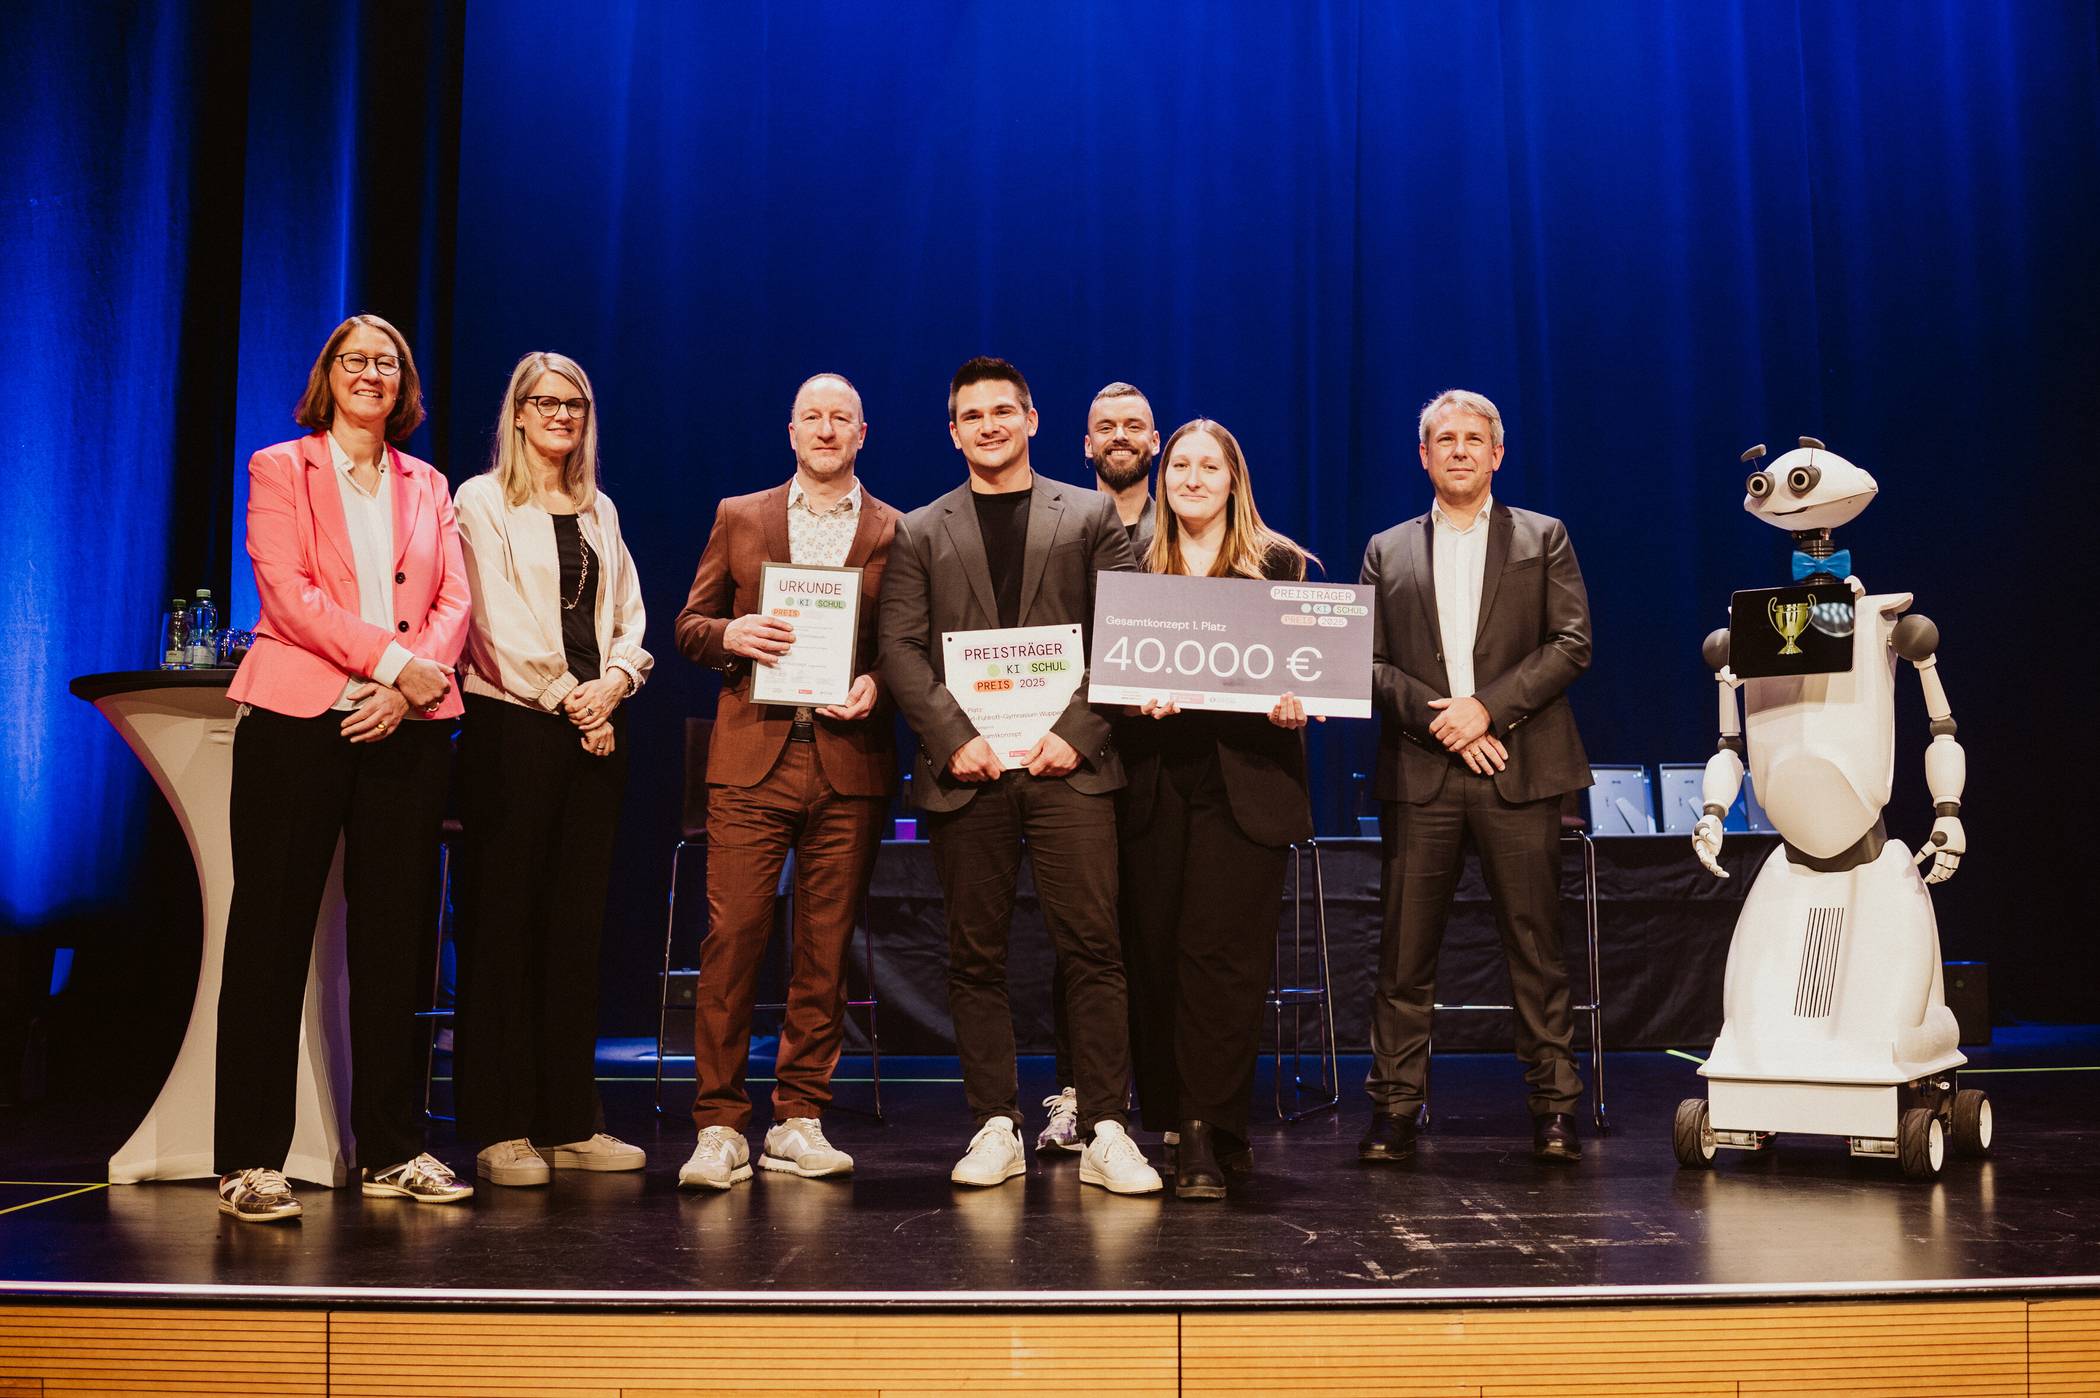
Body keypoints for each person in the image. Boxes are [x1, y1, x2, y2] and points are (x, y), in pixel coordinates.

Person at [879, 356, 1160, 1194]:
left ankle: (1107, 1126)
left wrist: (1077, 733)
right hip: (968, 769)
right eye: (973, 414)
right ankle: (994, 1124)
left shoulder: (1088, 517)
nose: (990, 425)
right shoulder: (921, 529)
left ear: (1033, 421)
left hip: (1068, 768)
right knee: (974, 955)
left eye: (1005, 410)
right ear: (954, 430)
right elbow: (900, 647)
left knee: (1095, 950)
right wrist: (952, 736)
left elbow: (1126, 631)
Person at [213, 313, 472, 1222]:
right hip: (297, 717)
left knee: (397, 945)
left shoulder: (431, 484)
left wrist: (408, 689)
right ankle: (249, 1158)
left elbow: (452, 602)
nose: (372, 374)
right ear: (328, 375)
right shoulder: (280, 468)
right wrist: (391, 665)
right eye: (356, 361)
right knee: (270, 934)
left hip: (405, 726)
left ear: (405, 388)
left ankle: (394, 1149)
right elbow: (286, 594)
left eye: (389, 364)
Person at [672, 373, 897, 1190]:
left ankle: (800, 1117)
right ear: (791, 431)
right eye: (813, 416)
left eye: (843, 417)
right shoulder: (742, 515)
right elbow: (690, 626)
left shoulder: (895, 530)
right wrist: (733, 631)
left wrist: (881, 684)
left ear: (862, 433)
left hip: (848, 761)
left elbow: (910, 645)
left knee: (825, 947)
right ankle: (721, 1124)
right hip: (752, 758)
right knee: (733, 939)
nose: (827, 429)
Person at [1357, 389, 1593, 1165]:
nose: (1459, 450)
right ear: (1423, 456)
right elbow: (1367, 661)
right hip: (1422, 773)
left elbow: (1570, 643)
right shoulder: (1385, 549)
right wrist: (1442, 721)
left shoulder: (1544, 536)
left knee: (1536, 949)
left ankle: (1554, 1109)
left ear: (1497, 453)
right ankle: (1394, 1110)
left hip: (1518, 768)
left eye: (1473, 439)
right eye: (1444, 440)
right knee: (1404, 955)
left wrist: (1486, 711)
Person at [452, 351, 652, 1187]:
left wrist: (612, 685)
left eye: (575, 403)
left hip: (593, 731)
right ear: (519, 413)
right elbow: (491, 622)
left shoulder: (600, 508)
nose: (562, 415)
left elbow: (629, 619)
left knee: (576, 933)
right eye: (545, 402)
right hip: (514, 732)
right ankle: (501, 1127)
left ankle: (570, 1120)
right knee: (503, 930)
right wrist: (576, 700)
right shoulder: (481, 501)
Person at [1117, 420, 1317, 1198]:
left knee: (1224, 964)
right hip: (1156, 785)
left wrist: (1300, 702)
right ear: (1164, 479)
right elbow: (1105, 678)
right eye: (1181, 467)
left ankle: (1209, 1128)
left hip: (1247, 785)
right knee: (1158, 956)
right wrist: (1138, 706)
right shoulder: (1130, 563)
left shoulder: (1282, 564)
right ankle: (1179, 1120)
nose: (1193, 478)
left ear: (1235, 479)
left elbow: (1310, 670)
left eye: (1210, 467)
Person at [1034, 379, 1164, 1156]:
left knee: (1149, 930)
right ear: (1084, 444)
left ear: (1155, 442)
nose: (1119, 436)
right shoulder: (1055, 524)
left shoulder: (1187, 523)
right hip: (1073, 754)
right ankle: (1079, 1093)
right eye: (1104, 426)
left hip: (1159, 758)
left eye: (1134, 426)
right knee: (1080, 933)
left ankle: (1154, 1087)